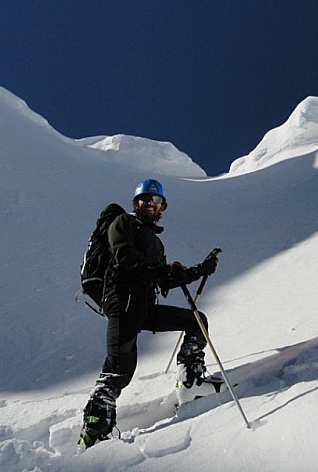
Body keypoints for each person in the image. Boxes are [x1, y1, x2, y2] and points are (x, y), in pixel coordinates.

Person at [79, 178, 222, 448]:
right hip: (123, 302)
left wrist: (201, 269)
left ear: (162, 207)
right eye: (145, 199)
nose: (151, 204)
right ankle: (95, 430)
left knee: (196, 322)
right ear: (136, 203)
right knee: (118, 370)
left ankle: (191, 381)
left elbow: (164, 280)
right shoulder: (123, 223)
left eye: (156, 201)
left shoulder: (155, 243)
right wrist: (164, 272)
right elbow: (125, 258)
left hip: (144, 307)